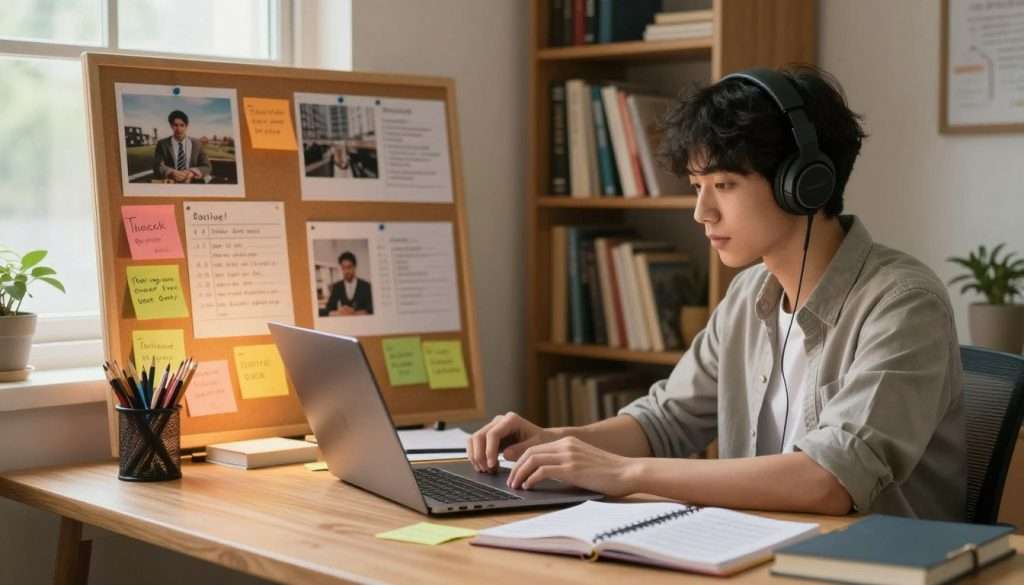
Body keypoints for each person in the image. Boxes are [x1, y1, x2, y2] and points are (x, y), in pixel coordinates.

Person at [468, 65, 966, 520]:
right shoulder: (748, 295)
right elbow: (666, 421)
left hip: (862, 567)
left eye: (724, 185)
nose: (701, 212)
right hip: (751, 556)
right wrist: (553, 442)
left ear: (804, 183)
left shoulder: (902, 303)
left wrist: (624, 474)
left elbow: (830, 480)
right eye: (696, 185)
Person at [153, 110, 211, 183]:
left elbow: (207, 166)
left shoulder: (197, 144)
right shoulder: (162, 144)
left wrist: (192, 173)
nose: (179, 129)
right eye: (175, 125)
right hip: (171, 184)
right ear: (171, 126)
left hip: (191, 183)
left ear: (186, 126)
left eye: (182, 125)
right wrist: (171, 172)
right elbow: (157, 166)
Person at [323, 251, 373, 316]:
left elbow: (371, 309)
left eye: (349, 267)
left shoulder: (366, 286)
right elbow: (329, 308)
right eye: (343, 268)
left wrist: (354, 313)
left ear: (355, 267)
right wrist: (338, 312)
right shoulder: (337, 286)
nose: (346, 271)